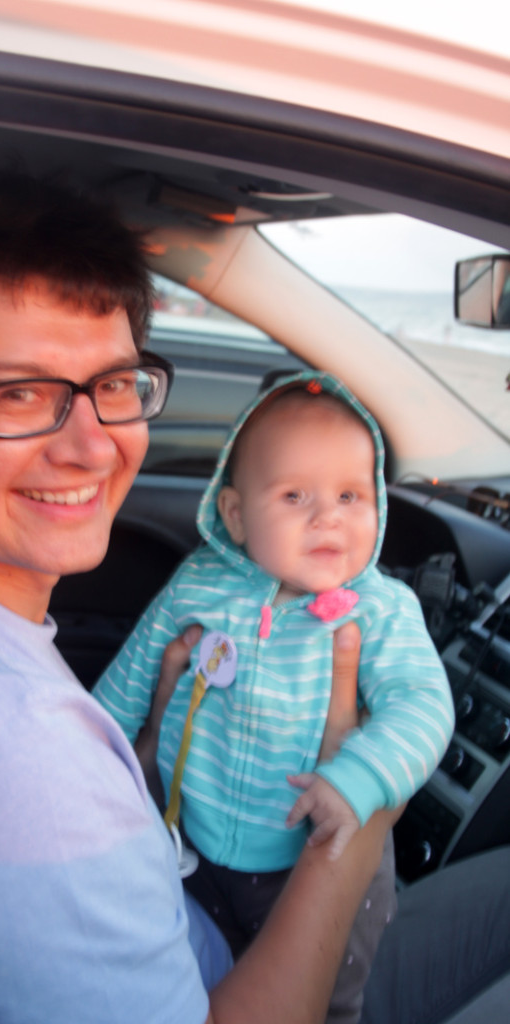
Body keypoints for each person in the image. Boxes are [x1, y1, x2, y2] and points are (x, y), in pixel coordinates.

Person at [0, 167, 398, 1024]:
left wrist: (142, 757)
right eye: (20, 393)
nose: (94, 448)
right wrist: (362, 811)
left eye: (115, 385)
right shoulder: (8, 753)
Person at [94, 372, 456, 1021]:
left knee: (327, 995)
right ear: (235, 514)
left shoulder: (380, 610)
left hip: (314, 852)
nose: (328, 517)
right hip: (191, 839)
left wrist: (360, 778)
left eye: (350, 495)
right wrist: (87, 756)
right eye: (295, 495)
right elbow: (132, 678)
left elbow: (423, 705)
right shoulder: (199, 584)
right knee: (203, 967)